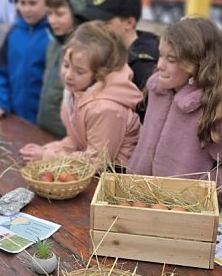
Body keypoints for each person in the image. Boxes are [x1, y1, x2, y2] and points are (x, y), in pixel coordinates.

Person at [127, 17, 222, 207]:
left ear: (198, 64)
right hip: (139, 202)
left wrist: (201, 195)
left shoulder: (217, 109)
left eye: (171, 59)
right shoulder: (158, 90)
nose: (159, 64)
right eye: (161, 55)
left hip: (182, 217)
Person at [21, 22, 142, 169]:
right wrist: (48, 150)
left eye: (79, 71)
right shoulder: (76, 91)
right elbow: (77, 140)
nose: (68, 75)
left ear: (99, 73)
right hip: (91, 168)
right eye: (66, 65)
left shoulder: (106, 108)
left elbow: (97, 160)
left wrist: (48, 157)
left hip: (115, 177)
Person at [36, 0, 96, 137]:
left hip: (68, 139)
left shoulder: (86, 52)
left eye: (59, 14)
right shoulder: (54, 44)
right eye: (49, 14)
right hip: (45, 130)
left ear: (78, 12)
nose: (52, 20)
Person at [0, 0, 51, 123]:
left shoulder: (52, 36)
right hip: (14, 116)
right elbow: (0, 72)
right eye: (22, 3)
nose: (26, 9)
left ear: (47, 2)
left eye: (33, 3)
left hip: (43, 121)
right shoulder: (12, 32)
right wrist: (0, 102)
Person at [81, 0, 159, 92]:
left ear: (129, 23)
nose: (96, 29)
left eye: (104, 23)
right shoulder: (104, 51)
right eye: (94, 22)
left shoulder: (144, 65)